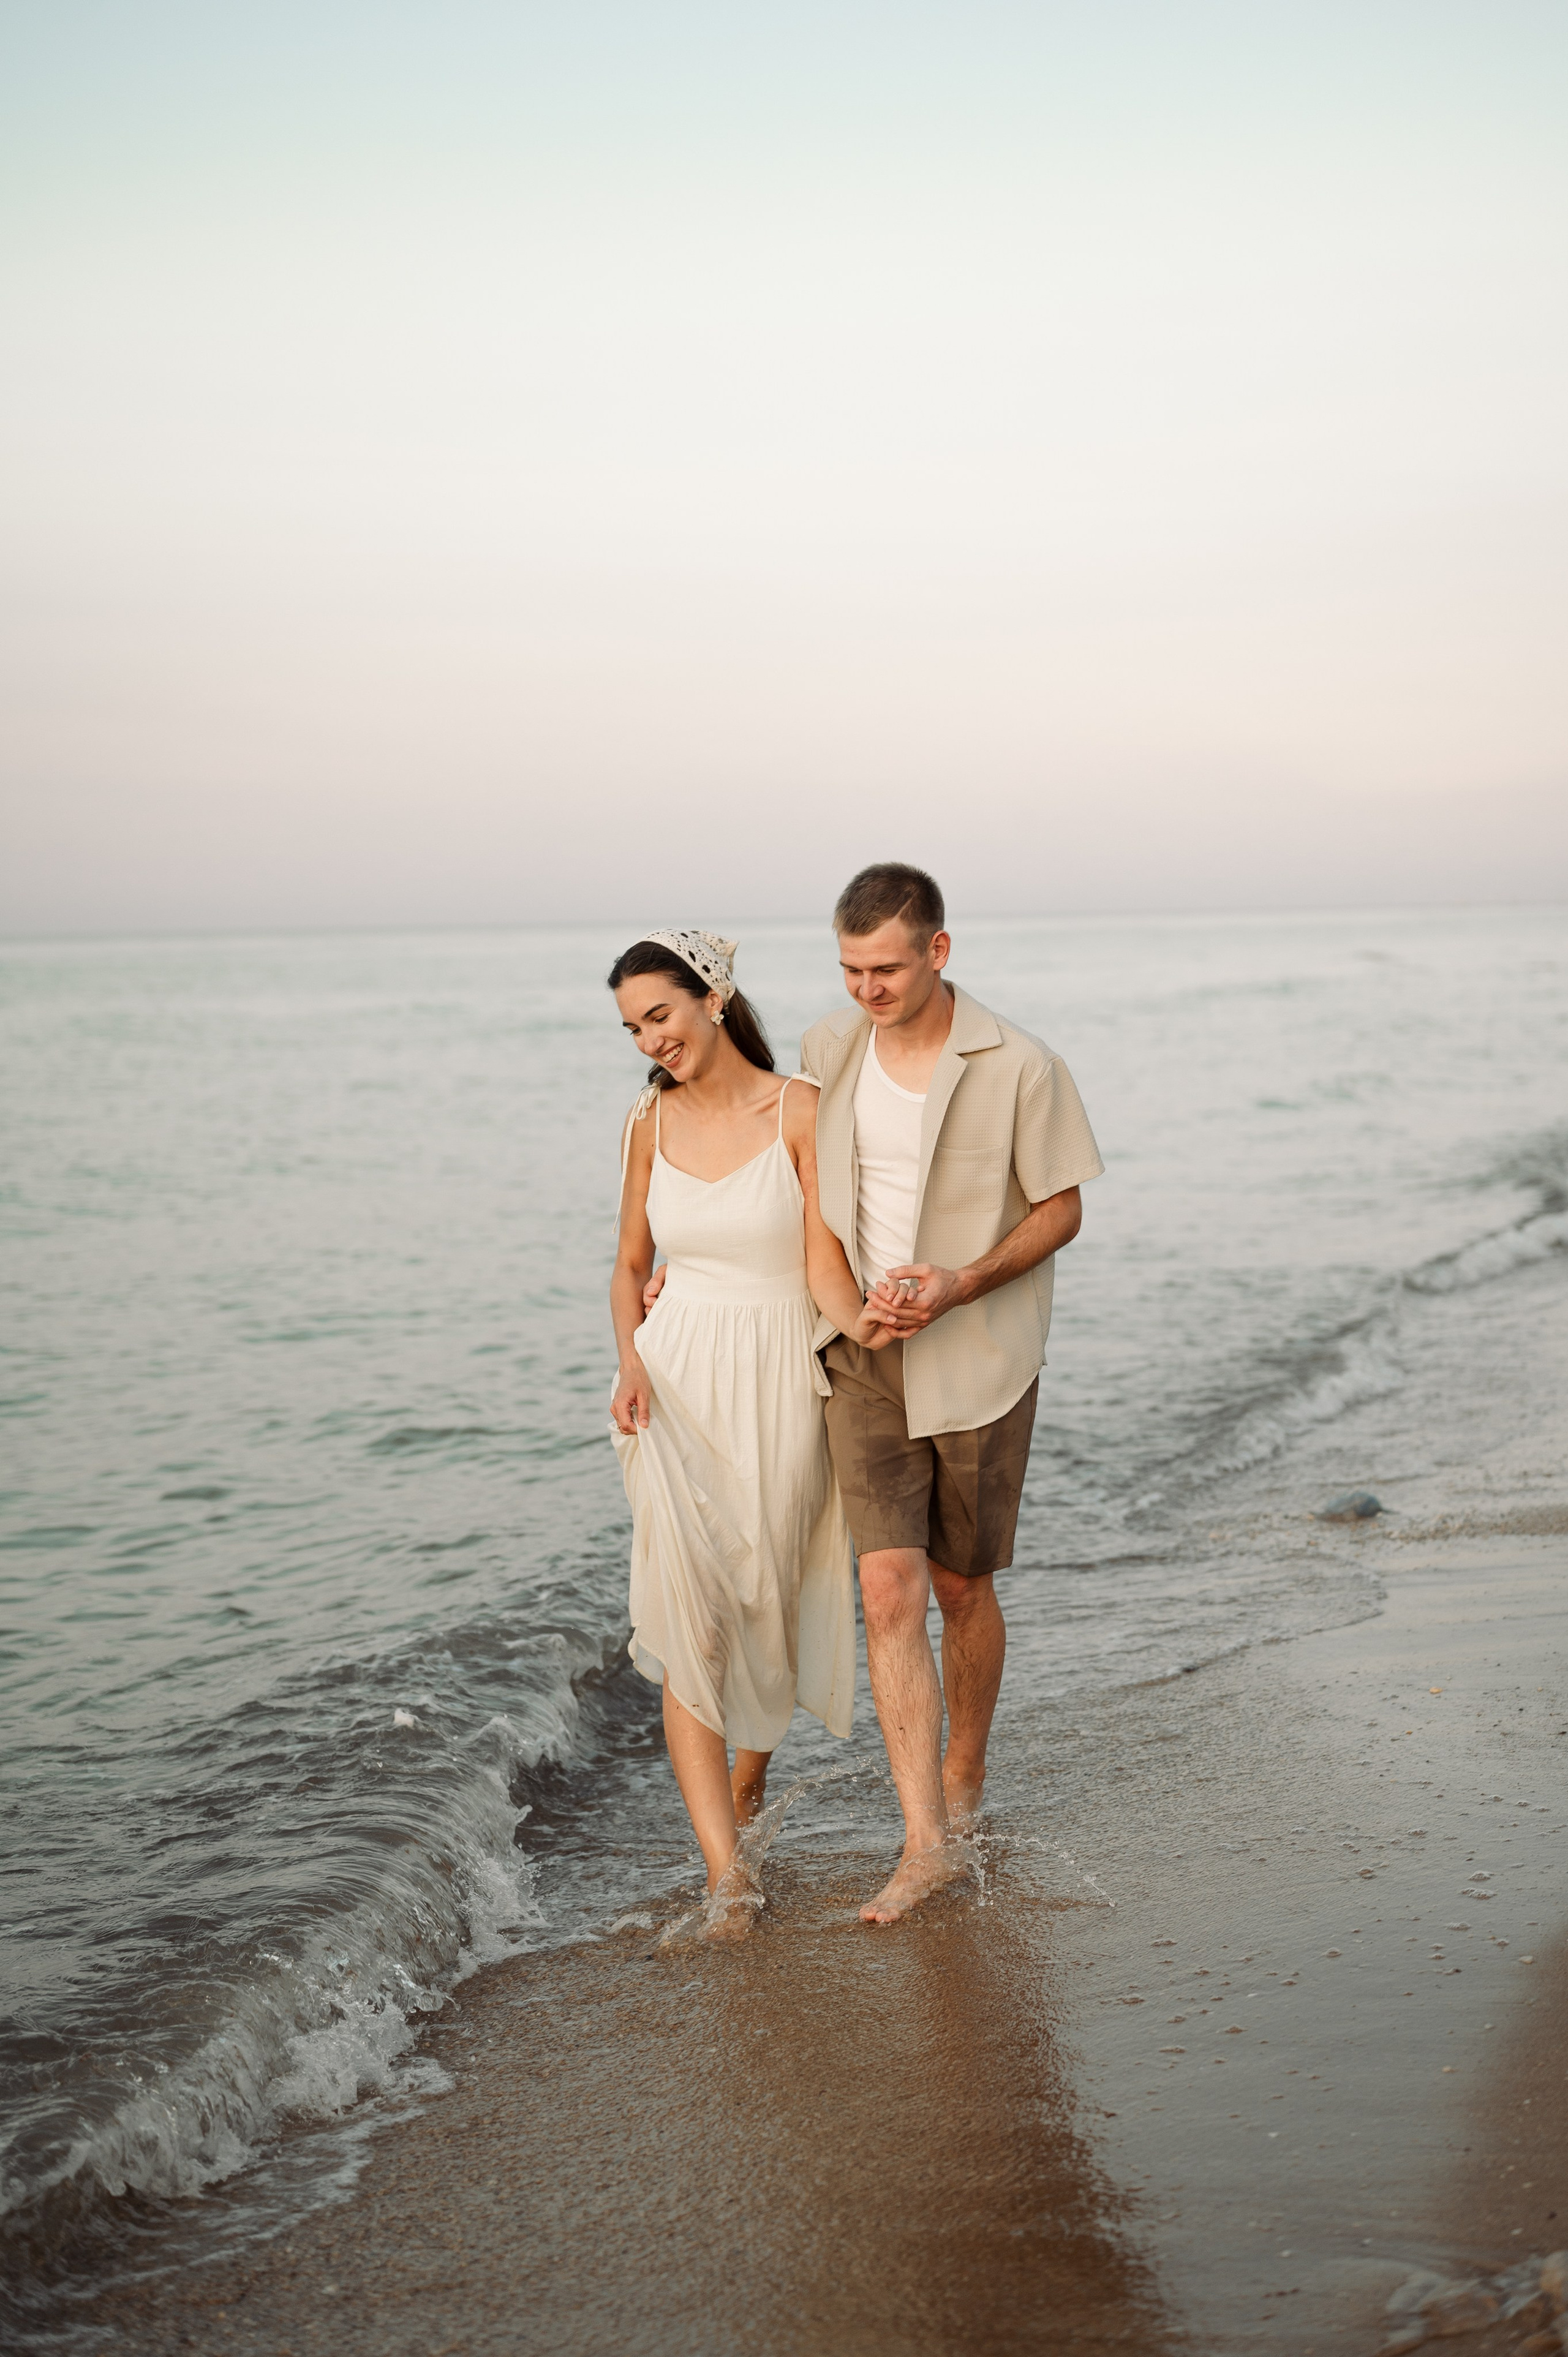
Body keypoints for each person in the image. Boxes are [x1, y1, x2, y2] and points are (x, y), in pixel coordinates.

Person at [801, 863, 1104, 1925]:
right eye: (851, 970)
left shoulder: (1021, 1064)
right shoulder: (827, 1050)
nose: (867, 990)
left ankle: (964, 1773)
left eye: (886, 968)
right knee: (887, 1589)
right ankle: (925, 1842)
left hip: (979, 1356)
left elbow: (1063, 1208)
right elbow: (789, 1176)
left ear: (938, 950)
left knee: (961, 1586)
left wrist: (961, 1282)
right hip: (863, 1352)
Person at [607, 928, 899, 1940]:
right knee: (690, 1615)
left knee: (765, 1599)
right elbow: (628, 1263)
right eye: (632, 1027)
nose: (650, 1040)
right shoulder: (648, 1120)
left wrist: (875, 1325)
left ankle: (747, 1781)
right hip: (673, 1385)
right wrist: (631, 1358)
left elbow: (823, 1267)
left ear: (713, 997)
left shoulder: (799, 1111)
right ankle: (727, 1880)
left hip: (779, 1379)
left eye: (660, 1014)